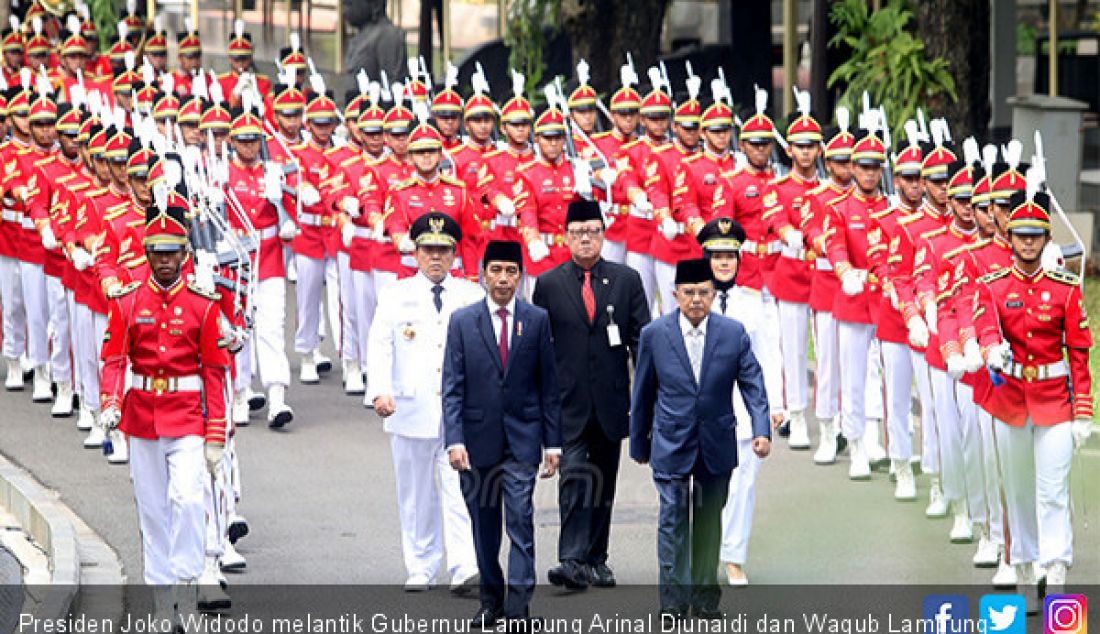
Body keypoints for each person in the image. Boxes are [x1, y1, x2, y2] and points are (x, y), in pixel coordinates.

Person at [98, 195, 230, 623]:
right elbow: (115, 359)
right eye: (157, 253)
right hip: (142, 418)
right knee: (152, 510)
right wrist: (110, 402)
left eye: (172, 253)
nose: (165, 261)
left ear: (185, 254)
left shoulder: (203, 303)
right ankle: (161, 602)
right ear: (147, 254)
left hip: (188, 416)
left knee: (189, 499)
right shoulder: (128, 301)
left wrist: (215, 435)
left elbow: (214, 372)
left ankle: (189, 589)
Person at [630, 257, 770, 619]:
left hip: (716, 444)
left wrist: (761, 429)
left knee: (708, 521)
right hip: (670, 443)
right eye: (689, 293)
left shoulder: (732, 332)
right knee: (673, 519)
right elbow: (643, 392)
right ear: (675, 294)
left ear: (713, 293)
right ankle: (673, 602)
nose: (696, 300)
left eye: (703, 293)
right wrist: (639, 443)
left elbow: (752, 383)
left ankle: (705, 597)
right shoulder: (655, 335)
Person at [973, 187, 1092, 611]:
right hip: (1010, 403)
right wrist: (991, 349)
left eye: (1035, 235)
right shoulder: (992, 285)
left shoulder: (1064, 288)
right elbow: (985, 325)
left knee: (1052, 491)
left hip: (1054, 403)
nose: (1027, 241)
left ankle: (1056, 574)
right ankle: (1025, 570)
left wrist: (1083, 412)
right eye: (1020, 234)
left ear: (1046, 239)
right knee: (1020, 491)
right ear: (1010, 237)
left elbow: (1078, 351)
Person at [442, 240, 561, 628]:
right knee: (485, 526)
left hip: (523, 441)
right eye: (496, 271)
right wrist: (455, 440)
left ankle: (518, 608)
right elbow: (452, 387)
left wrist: (553, 443)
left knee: (521, 521)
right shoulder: (463, 322)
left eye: (511, 271)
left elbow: (549, 387)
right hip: (477, 444)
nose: (504, 279)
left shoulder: (537, 319)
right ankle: (491, 601)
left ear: (520, 276)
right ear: (483, 274)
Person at [532, 200, 649, 590]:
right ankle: (571, 559)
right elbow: (540, 348)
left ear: (603, 235)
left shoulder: (626, 280)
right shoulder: (548, 284)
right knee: (574, 479)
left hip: (612, 401)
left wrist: (647, 399)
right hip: (568, 403)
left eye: (593, 231)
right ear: (565, 237)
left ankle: (597, 559)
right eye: (578, 232)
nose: (586, 238)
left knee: (604, 483)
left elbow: (641, 342)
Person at [367, 212, 481, 593]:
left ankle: (465, 565)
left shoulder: (471, 295)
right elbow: (380, 346)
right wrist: (380, 390)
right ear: (415, 253)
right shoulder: (395, 295)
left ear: (454, 254)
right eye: (429, 250)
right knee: (415, 494)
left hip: (459, 411)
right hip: (410, 407)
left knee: (461, 489)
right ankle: (421, 564)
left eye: (444, 251)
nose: (436, 258)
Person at [695, 218, 784, 587]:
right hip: (704, 409)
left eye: (730, 256)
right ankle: (703, 554)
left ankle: (733, 556)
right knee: (706, 483)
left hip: (746, 409)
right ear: (706, 259)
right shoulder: (694, 300)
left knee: (743, 484)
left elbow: (769, 354)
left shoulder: (753, 303)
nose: (724, 263)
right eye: (717, 256)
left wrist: (775, 404)